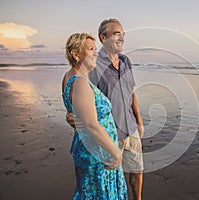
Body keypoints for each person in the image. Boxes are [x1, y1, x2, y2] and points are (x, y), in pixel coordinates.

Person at [67, 19, 144, 200]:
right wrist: (70, 114)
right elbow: (79, 93)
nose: (122, 38)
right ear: (103, 37)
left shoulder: (126, 61)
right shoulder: (92, 64)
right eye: (117, 34)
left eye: (123, 34)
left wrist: (139, 122)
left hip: (131, 128)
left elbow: (131, 93)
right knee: (110, 181)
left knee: (137, 171)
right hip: (108, 134)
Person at [62, 32, 128, 200]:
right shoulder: (81, 82)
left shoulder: (69, 77)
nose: (96, 52)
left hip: (89, 149)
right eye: (90, 49)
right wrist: (116, 153)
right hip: (97, 153)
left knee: (90, 193)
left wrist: (72, 118)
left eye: (95, 49)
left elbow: (76, 114)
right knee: (100, 194)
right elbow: (91, 125)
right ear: (75, 55)